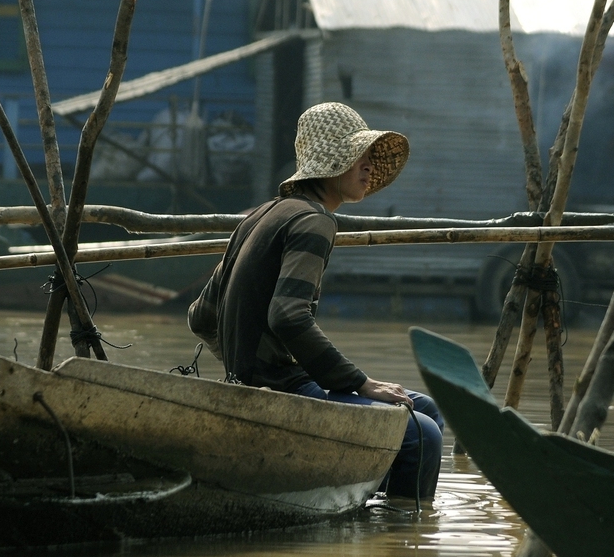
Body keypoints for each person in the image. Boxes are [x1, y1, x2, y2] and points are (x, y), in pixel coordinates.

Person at [188, 102, 444, 499]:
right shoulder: (315, 220)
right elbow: (288, 316)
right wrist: (359, 383)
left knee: (424, 406)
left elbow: (200, 316)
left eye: (370, 158)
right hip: (284, 388)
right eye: (359, 157)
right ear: (332, 162)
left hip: (268, 382)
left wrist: (244, 369)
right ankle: (401, 535)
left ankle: (368, 500)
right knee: (423, 434)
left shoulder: (259, 215)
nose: (368, 167)